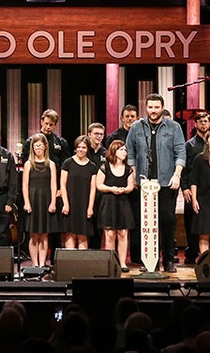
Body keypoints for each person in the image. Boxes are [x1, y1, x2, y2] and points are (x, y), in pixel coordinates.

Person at [125, 93, 187, 273]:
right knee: (146, 223)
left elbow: (180, 153)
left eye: (156, 107)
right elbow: (130, 151)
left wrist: (177, 174)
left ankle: (168, 259)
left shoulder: (174, 127)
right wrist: (133, 172)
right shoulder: (137, 127)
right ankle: (148, 260)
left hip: (167, 183)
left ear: (162, 108)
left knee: (167, 221)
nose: (153, 111)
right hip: (144, 184)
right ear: (146, 108)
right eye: (150, 107)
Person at [97, 140, 136, 272]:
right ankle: (111, 261)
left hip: (123, 203)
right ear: (114, 151)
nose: (124, 152)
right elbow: (99, 185)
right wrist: (112, 189)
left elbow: (131, 186)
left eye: (125, 150)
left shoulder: (128, 169)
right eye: (121, 150)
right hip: (109, 202)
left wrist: (123, 190)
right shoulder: (105, 167)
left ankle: (123, 263)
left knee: (123, 233)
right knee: (109, 234)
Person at [21, 133, 59, 268]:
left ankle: (43, 263)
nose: (38, 148)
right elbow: (25, 185)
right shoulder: (28, 164)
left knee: (44, 235)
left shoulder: (51, 164)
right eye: (35, 145)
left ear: (45, 147)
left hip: (46, 200)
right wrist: (26, 202)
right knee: (33, 235)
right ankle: (35, 264)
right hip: (33, 200)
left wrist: (53, 202)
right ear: (32, 147)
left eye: (40, 145)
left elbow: (54, 184)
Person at [181, 111, 210, 265]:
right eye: (200, 122)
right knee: (191, 222)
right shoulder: (190, 145)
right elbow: (184, 168)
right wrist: (185, 187)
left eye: (206, 121)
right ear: (196, 124)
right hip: (192, 189)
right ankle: (192, 251)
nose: (203, 124)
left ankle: (209, 254)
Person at [59, 135, 98, 249]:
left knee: (83, 235)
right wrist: (65, 204)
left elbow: (93, 189)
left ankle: (82, 264)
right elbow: (63, 184)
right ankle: (70, 263)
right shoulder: (67, 163)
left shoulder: (92, 167)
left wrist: (90, 207)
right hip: (70, 203)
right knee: (70, 234)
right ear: (75, 148)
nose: (81, 149)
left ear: (87, 149)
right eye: (79, 147)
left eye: (84, 147)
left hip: (84, 204)